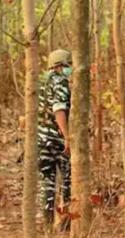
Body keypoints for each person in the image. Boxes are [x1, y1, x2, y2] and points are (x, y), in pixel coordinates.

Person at [37, 49, 73, 228]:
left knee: (48, 182)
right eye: (68, 65)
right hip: (56, 139)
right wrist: (67, 136)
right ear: (61, 65)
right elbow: (59, 109)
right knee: (67, 179)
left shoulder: (42, 82)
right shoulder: (60, 82)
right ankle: (65, 222)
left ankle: (47, 223)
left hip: (41, 139)